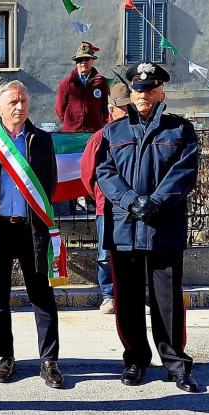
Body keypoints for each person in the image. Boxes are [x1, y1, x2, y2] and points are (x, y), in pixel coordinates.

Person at [96, 62, 201, 393]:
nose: (144, 95)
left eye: (150, 90)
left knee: (166, 300)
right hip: (124, 228)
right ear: (131, 93)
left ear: (161, 93)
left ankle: (175, 363)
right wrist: (130, 200)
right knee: (126, 299)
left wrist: (154, 202)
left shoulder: (180, 130)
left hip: (162, 226)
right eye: (138, 90)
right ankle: (135, 360)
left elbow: (184, 173)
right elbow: (105, 172)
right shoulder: (112, 133)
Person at [0, 81, 63, 389]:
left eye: (23, 101)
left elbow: (50, 184)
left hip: (30, 228)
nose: (19, 107)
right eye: (12, 102)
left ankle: (49, 361)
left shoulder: (42, 140)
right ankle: (6, 357)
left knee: (42, 296)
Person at [80, 83, 131, 314]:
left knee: (133, 253)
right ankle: (108, 295)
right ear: (112, 110)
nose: (128, 112)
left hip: (134, 208)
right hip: (108, 207)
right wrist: (101, 196)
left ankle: (131, 294)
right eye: (123, 108)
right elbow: (88, 174)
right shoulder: (100, 139)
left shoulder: (139, 135)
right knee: (105, 253)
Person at [55, 41, 110, 133]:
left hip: (94, 131)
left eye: (86, 59)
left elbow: (106, 106)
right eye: (80, 60)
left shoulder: (102, 82)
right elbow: (60, 108)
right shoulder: (66, 83)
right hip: (71, 132)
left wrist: (102, 122)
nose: (83, 62)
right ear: (76, 63)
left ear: (92, 61)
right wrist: (69, 123)